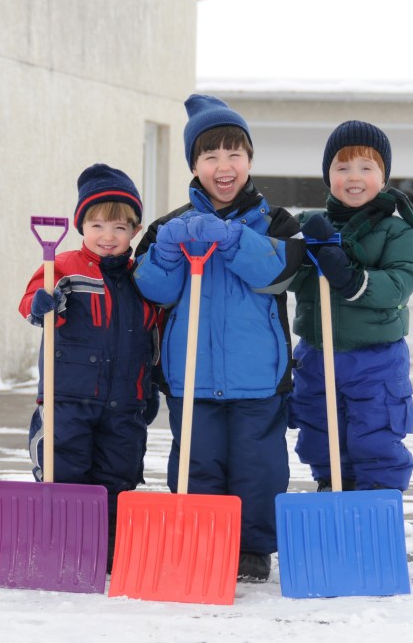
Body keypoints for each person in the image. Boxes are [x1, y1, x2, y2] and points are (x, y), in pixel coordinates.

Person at [132, 94, 305, 582]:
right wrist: (166, 251)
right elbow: (155, 292)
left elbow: (277, 275)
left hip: (257, 379)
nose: (223, 166)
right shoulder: (170, 227)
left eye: (235, 154)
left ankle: (252, 548)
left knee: (259, 468)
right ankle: (202, 540)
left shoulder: (277, 224)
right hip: (193, 377)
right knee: (197, 463)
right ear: (194, 165)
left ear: (250, 161)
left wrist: (232, 240)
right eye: (210, 156)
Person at [17, 163, 161, 571]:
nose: (108, 237)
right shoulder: (62, 267)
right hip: (68, 399)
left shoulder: (142, 280)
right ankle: (64, 548)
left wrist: (149, 388)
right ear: (81, 226)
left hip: (125, 403)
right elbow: (31, 300)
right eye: (97, 225)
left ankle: (111, 552)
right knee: (64, 471)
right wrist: (42, 304)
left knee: (119, 477)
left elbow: (154, 336)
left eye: (119, 227)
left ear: (135, 231)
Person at [288, 120, 413, 493]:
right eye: (342, 167)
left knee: (376, 435)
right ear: (327, 175)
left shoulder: (398, 232)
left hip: (376, 359)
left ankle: (377, 508)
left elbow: (399, 285)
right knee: (320, 432)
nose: (354, 177)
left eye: (367, 167)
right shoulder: (311, 227)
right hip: (317, 355)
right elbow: (286, 279)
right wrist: (294, 250)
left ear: (383, 178)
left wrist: (351, 278)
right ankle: (332, 492)